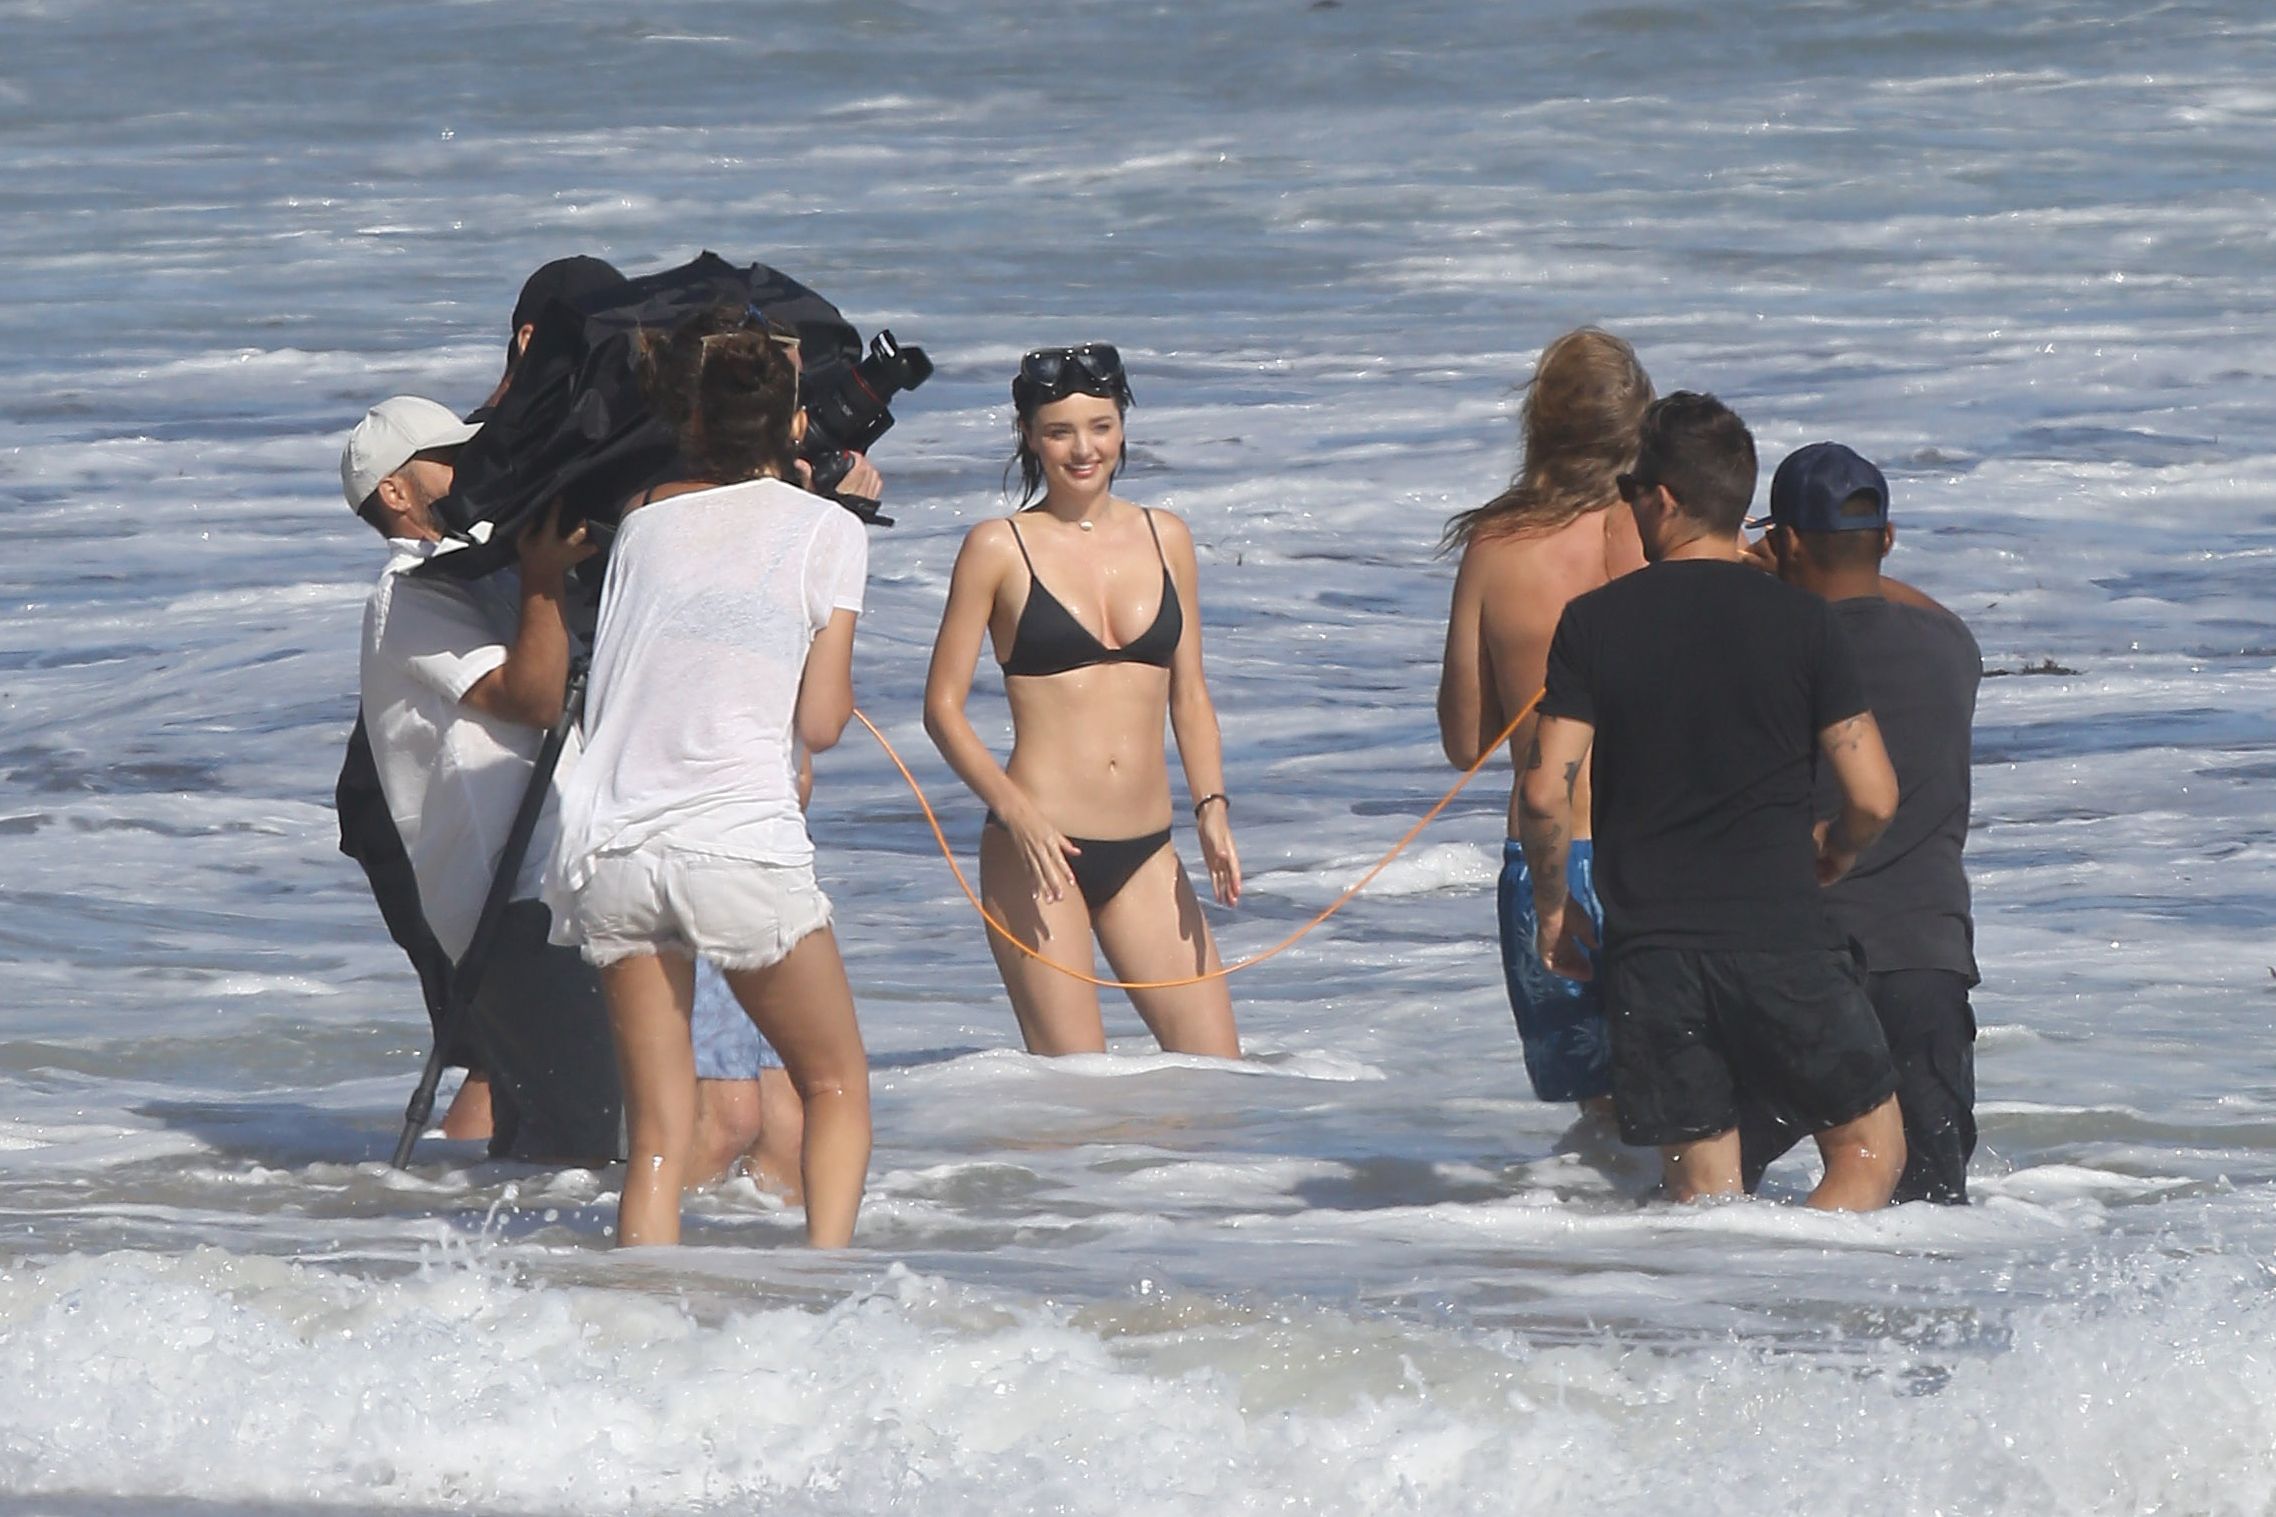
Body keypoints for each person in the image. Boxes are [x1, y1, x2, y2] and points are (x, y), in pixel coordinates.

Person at [1519, 392, 1908, 1210]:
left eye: (1631, 491)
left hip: (1652, 951)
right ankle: (1799, 1290)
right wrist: (1834, 850)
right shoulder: (1804, 622)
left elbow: (1546, 791)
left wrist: (1553, 910)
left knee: (1703, 1193)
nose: (1629, 505)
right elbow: (1874, 795)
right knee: (1868, 1153)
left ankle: (1722, 1297)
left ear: (1663, 499)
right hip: (1780, 935)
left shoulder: (1594, 623)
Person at [545, 305, 871, 1248]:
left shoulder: (643, 520)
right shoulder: (829, 529)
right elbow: (822, 722)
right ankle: (833, 1296)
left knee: (658, 1137)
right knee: (834, 1086)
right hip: (734, 841)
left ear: (692, 417)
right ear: (796, 423)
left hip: (612, 845)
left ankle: (636, 1311)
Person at [923, 345, 1241, 1058]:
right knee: (1077, 1090)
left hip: (1148, 850)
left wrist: (1211, 807)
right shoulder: (997, 547)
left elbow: (1189, 693)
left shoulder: (1167, 537)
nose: (1083, 449)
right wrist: (1015, 811)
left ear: (1122, 427)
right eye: (1060, 432)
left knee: (1218, 1077)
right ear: (1030, 437)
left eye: (1100, 426)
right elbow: (941, 707)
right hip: (1037, 849)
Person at [347, 396, 624, 1162]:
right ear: (396, 491)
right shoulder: (409, 592)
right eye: (448, 460)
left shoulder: (478, 570)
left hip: (548, 886)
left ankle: (491, 1241)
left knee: (555, 1138)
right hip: (511, 902)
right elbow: (533, 698)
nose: (469, 470)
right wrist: (541, 575)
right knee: (585, 1143)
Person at [1740, 443, 1981, 1203]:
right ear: (1888, 538)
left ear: (1784, 541)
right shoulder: (1953, 647)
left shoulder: (1767, 653)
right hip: (1926, 958)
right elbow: (1909, 605)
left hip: (1801, 961)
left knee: (1712, 1196)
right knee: (1930, 1210)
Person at [1436, 328, 1655, 1117]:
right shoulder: (1664, 531)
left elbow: (1466, 741)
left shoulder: (1496, 545)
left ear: (1539, 421)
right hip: (1668, 855)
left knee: (1600, 1123)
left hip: (1548, 857)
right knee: (1695, 1113)